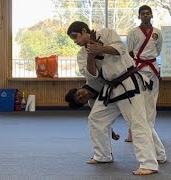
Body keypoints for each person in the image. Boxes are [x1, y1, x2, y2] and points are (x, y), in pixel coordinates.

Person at [67, 21, 158, 175]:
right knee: (96, 119)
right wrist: (91, 53)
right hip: (109, 88)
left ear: (84, 31)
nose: (75, 41)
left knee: (138, 123)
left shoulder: (107, 33)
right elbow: (91, 75)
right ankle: (102, 155)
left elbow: (121, 49)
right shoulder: (81, 54)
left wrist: (100, 48)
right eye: (72, 39)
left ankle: (149, 163)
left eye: (75, 37)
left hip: (128, 82)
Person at [126, 5, 167, 163]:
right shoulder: (133, 33)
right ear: (139, 16)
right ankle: (156, 148)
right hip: (139, 71)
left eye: (147, 13)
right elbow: (130, 52)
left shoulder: (157, 33)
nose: (145, 15)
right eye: (142, 13)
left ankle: (149, 134)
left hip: (153, 70)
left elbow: (158, 50)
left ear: (151, 15)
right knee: (139, 107)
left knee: (150, 108)